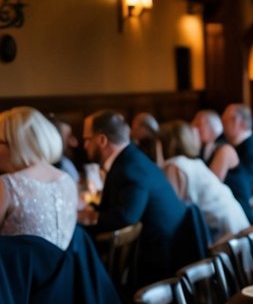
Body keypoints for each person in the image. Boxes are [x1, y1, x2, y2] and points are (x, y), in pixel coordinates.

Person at [82, 110, 197, 285]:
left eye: (87, 139)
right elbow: (116, 207)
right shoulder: (130, 158)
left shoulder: (129, 167)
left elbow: (127, 216)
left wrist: (91, 217)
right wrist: (91, 210)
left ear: (102, 140)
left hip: (161, 263)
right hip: (164, 250)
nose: (84, 145)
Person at [0, 107, 79, 250]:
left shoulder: (6, 185)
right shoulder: (67, 181)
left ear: (18, 143)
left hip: (14, 265)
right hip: (64, 265)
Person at [160, 121, 249, 242]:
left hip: (223, 233)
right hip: (237, 223)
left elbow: (171, 210)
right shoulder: (195, 162)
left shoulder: (175, 165)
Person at [216, 104, 253, 224]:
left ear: (242, 123)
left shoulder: (252, 149)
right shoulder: (238, 144)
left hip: (244, 212)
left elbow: (242, 186)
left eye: (226, 121)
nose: (222, 125)